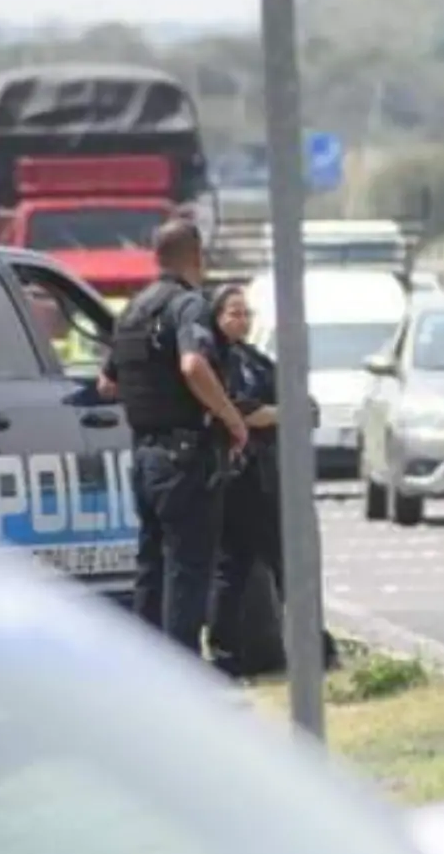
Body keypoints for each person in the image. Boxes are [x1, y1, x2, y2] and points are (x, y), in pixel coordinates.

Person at [98, 219, 249, 658]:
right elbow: (192, 366)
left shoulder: (133, 309)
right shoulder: (188, 306)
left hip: (144, 455)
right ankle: (184, 676)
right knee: (188, 568)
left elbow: (108, 384)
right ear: (197, 256)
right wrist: (231, 418)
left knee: (152, 565)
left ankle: (149, 671)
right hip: (185, 458)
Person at [206, 284, 340, 677]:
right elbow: (242, 410)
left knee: (277, 565)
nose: (242, 320)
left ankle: (308, 645)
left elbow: (290, 396)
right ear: (215, 318)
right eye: (233, 313)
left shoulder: (253, 358)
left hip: (267, 476)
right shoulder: (218, 361)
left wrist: (298, 408)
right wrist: (284, 413)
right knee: (241, 567)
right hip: (240, 478)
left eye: (246, 313)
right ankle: (228, 653)